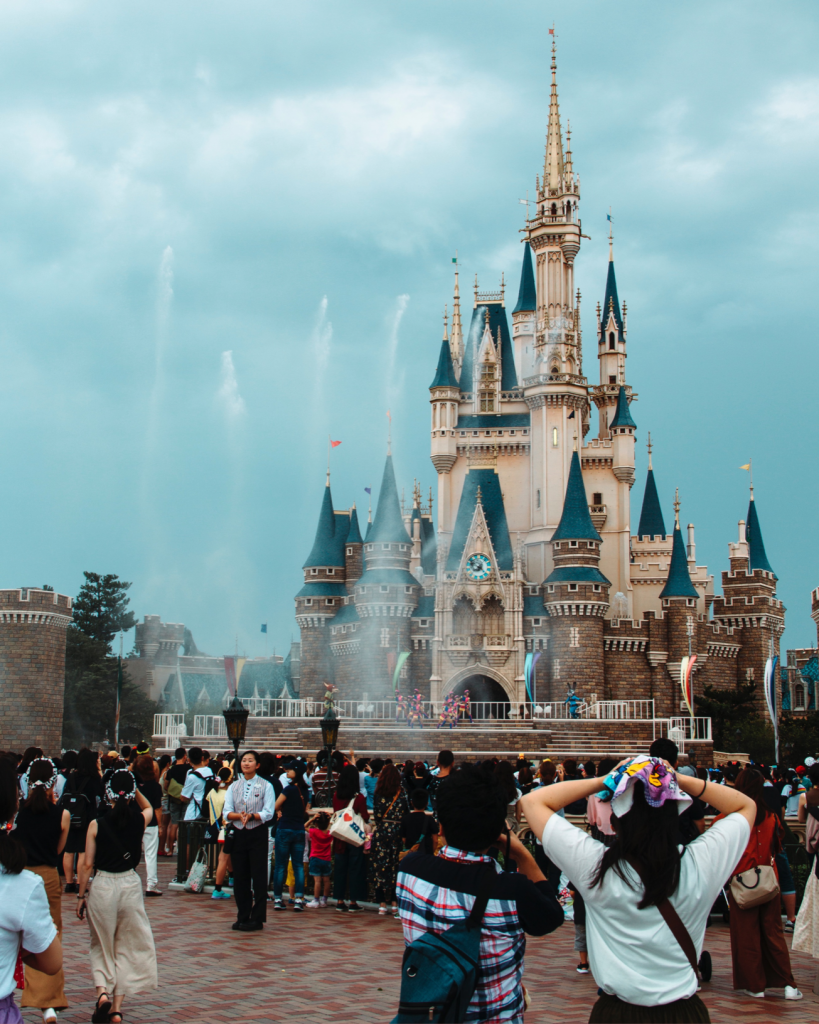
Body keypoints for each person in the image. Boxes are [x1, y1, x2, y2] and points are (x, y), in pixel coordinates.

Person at [522, 754, 761, 1022]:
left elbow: (532, 802)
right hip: (683, 1014)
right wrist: (674, 779)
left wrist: (607, 780)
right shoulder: (699, 864)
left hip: (616, 1014)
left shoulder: (596, 867)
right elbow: (746, 806)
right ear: (675, 817)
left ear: (616, 823)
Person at [397, 764, 564, 1023]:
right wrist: (521, 854)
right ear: (498, 830)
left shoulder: (409, 872)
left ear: (441, 827)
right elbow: (552, 916)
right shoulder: (513, 890)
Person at [77, 769, 157, 1024]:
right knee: (125, 946)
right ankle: (117, 1010)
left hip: (102, 884)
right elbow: (151, 809)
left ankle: (102, 993)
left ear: (107, 792)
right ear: (132, 793)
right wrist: (134, 789)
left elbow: (87, 864)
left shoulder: (96, 824)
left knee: (101, 943)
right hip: (130, 884)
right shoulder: (139, 820)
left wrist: (81, 896)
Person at [717, 767, 801, 1000]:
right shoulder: (771, 816)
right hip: (768, 881)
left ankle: (754, 985)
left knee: (746, 935)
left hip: (741, 883)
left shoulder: (728, 818)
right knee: (773, 933)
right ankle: (787, 984)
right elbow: (778, 845)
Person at [0, 759, 62, 1024]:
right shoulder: (22, 886)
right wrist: (20, 950)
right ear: (12, 811)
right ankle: (48, 1005)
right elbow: (51, 962)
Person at [14, 758, 71, 1024]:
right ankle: (49, 1004)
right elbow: (59, 851)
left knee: (25, 936)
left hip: (23, 876)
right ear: (53, 782)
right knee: (51, 935)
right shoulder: (62, 814)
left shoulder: (19, 814)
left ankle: (34, 996)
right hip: (49, 877)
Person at [223, 751, 276, 930]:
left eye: (250, 761)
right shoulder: (234, 786)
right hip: (239, 833)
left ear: (257, 765)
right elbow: (226, 812)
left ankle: (258, 917)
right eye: (244, 760)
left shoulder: (266, 786)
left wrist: (253, 816)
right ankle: (242, 915)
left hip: (257, 833)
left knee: (259, 876)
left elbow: (269, 812)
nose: (246, 764)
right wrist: (239, 816)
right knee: (240, 877)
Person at [60, 747, 103, 894]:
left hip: (70, 816)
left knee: (69, 850)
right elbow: (100, 796)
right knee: (83, 851)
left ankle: (69, 882)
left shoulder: (71, 777)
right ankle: (80, 882)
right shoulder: (94, 778)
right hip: (87, 817)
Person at [370, 763, 409, 917]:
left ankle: (381, 904)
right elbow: (406, 813)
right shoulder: (402, 792)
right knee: (395, 866)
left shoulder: (379, 792)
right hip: (397, 832)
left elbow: (377, 815)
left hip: (382, 832)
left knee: (380, 865)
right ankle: (394, 903)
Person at [272, 762, 311, 912]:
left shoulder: (289, 789)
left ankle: (277, 898)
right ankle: (298, 899)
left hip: (285, 828)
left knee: (281, 866)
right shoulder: (305, 791)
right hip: (299, 829)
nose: (287, 771)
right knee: (298, 866)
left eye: (290, 770)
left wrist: (280, 809)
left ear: (297, 772)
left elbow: (275, 805)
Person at [332, 764, 370, 913]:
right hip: (354, 838)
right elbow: (365, 816)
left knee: (340, 869)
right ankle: (353, 901)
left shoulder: (336, 795)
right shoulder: (358, 797)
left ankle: (340, 900)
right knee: (355, 868)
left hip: (340, 836)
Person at [133, 755, 163, 897]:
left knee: (131, 852)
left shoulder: (132, 785)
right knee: (150, 855)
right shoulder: (155, 786)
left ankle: (130, 881)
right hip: (150, 823)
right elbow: (158, 808)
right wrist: (160, 825)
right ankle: (151, 885)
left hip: (134, 821)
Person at [208, 767, 234, 900]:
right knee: (223, 857)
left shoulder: (212, 792)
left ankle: (232, 877)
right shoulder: (229, 794)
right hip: (226, 828)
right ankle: (217, 889)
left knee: (226, 854)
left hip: (214, 827)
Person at [161, 748, 189, 856]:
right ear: (184, 756)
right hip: (186, 799)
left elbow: (166, 785)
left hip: (173, 799)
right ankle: (182, 850)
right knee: (183, 825)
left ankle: (170, 850)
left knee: (174, 824)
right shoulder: (189, 769)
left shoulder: (171, 770)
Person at [305, 812, 332, 908]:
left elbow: (304, 826)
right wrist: (331, 820)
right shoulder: (330, 833)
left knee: (317, 880)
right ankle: (324, 900)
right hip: (326, 859)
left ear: (316, 823)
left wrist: (312, 819)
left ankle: (316, 900)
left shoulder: (314, 832)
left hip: (316, 857)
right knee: (326, 880)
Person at [179, 746, 213, 823]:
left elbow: (183, 798)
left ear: (189, 760)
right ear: (202, 758)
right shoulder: (210, 771)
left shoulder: (192, 776)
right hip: (208, 812)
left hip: (193, 815)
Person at [400, 788, 439, 856]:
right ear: (427, 804)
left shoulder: (405, 819)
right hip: (425, 855)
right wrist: (430, 853)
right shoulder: (430, 819)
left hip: (410, 855)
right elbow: (435, 840)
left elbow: (403, 839)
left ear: (412, 803)